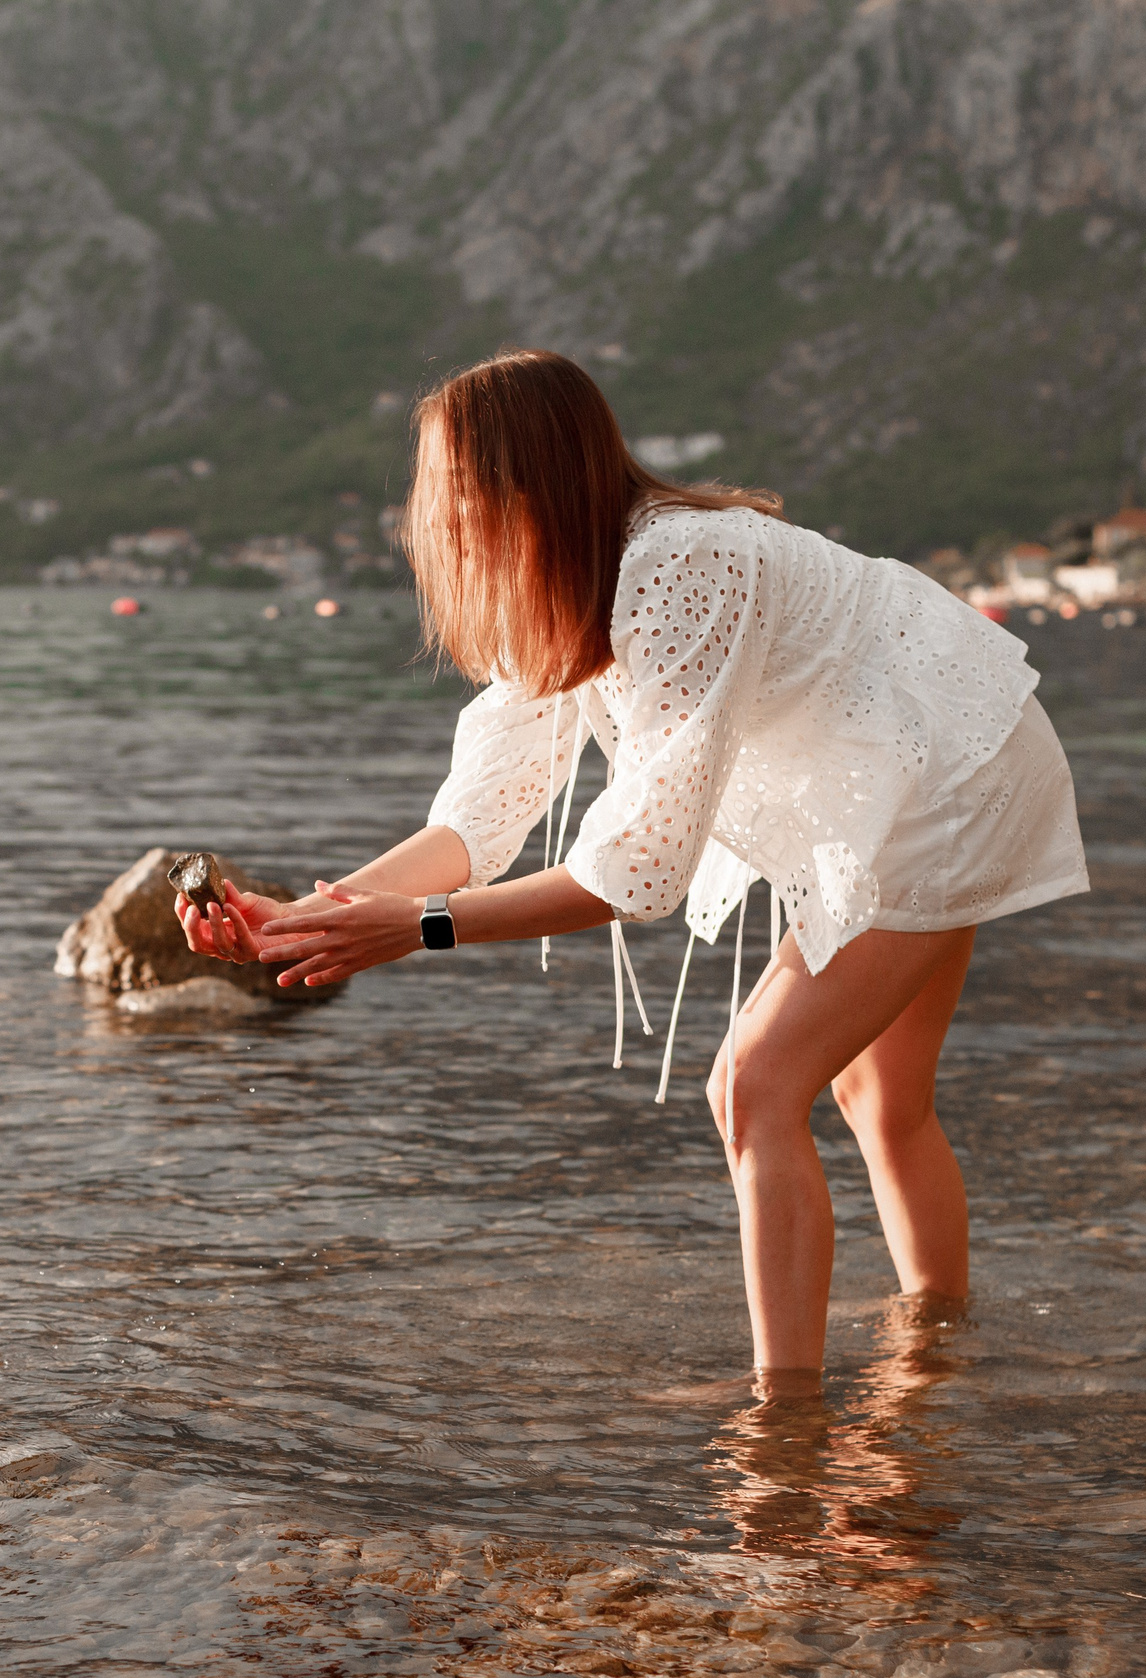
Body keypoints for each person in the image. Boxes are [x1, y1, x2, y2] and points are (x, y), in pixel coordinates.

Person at [175, 349, 1087, 1391]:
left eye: (451, 487)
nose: (430, 518)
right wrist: (305, 914)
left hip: (952, 767)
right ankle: (937, 1360)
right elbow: (476, 822)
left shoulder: (675, 568)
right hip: (911, 762)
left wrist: (419, 928)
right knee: (877, 1097)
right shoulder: (562, 593)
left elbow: (634, 874)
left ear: (530, 482)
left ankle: (782, 1422)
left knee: (755, 1084)